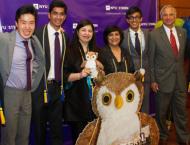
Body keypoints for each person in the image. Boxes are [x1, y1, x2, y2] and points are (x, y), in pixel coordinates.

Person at [0, 4, 44, 145]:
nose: (27, 27)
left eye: (31, 23)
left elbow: (38, 61)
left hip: (27, 94)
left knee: (24, 136)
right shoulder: (5, 40)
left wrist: (33, 78)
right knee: (9, 137)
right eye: (23, 22)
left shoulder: (33, 41)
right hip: (10, 94)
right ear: (16, 23)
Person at [149, 5, 190, 145]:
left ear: (175, 16)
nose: (168, 17)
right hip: (162, 81)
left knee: (181, 113)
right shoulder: (153, 34)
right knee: (161, 113)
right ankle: (163, 137)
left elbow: (182, 57)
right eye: (165, 15)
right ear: (161, 17)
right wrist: (153, 80)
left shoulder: (183, 32)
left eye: (171, 14)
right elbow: (151, 60)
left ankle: (183, 138)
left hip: (180, 80)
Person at [31, 1, 69, 145]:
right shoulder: (37, 33)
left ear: (65, 17)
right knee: (39, 128)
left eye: (61, 14)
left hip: (57, 88)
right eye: (55, 13)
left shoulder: (65, 37)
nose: (58, 17)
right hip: (40, 88)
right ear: (49, 15)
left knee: (57, 128)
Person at [63, 19, 103, 144]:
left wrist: (98, 65)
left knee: (95, 137)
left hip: (96, 102)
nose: (87, 33)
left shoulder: (97, 50)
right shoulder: (69, 50)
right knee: (80, 138)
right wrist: (81, 74)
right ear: (77, 32)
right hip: (77, 102)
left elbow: (104, 76)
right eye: (83, 30)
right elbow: (65, 76)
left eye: (90, 30)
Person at [121, 6, 151, 114]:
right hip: (130, 77)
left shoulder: (148, 34)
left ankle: (144, 130)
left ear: (141, 19)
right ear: (127, 20)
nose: (134, 20)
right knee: (130, 106)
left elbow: (151, 55)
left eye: (137, 17)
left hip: (146, 77)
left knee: (144, 106)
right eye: (131, 18)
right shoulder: (122, 35)